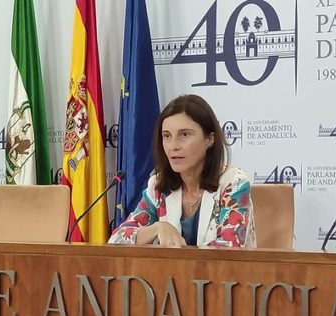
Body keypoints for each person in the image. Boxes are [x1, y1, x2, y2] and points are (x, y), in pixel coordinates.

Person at [109, 94, 256, 248]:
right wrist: (157, 228)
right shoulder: (158, 187)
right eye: (167, 136)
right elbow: (117, 239)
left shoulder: (233, 183)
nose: (173, 146)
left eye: (184, 135)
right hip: (171, 273)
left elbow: (230, 248)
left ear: (210, 139)